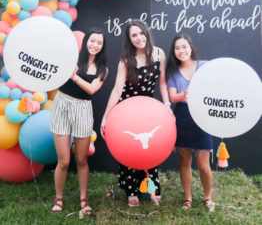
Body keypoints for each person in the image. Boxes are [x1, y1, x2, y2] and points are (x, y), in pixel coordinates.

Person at [100, 19, 171, 207]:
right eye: (134, 35)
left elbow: (162, 83)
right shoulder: (125, 60)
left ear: (146, 34)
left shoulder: (159, 54)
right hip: (127, 111)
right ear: (129, 39)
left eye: (141, 33)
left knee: (150, 147)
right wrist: (106, 117)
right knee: (130, 148)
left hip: (148, 109)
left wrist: (167, 105)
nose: (139, 38)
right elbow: (117, 90)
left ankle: (150, 186)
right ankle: (131, 189)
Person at [50, 28, 108, 215]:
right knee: (64, 161)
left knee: (81, 160)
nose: (95, 45)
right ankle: (58, 199)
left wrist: (73, 76)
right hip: (62, 105)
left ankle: (84, 199)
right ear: (86, 41)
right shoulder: (72, 58)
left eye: (99, 43)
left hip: (83, 109)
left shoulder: (102, 69)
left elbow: (91, 89)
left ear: (102, 46)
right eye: (92, 41)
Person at [166, 34, 214, 211]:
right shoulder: (172, 71)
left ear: (191, 47)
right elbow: (172, 97)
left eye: (184, 47)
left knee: (203, 164)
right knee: (184, 161)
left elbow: (215, 88)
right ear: (174, 51)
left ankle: (208, 197)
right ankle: (188, 198)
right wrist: (187, 93)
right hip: (183, 116)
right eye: (177, 48)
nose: (181, 51)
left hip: (202, 115)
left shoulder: (205, 66)